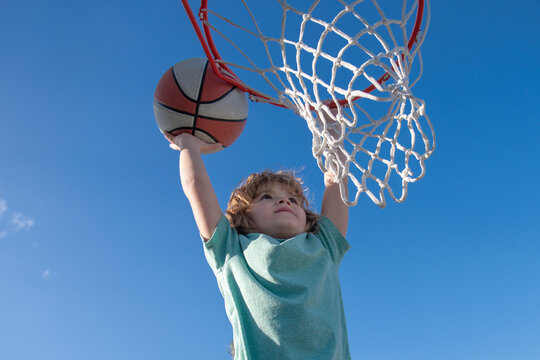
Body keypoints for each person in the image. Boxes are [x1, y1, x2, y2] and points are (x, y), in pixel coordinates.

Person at [165, 132, 351, 360]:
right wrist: (188, 144)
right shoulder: (231, 249)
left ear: (306, 218)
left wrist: (332, 133)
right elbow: (196, 186)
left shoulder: (324, 244)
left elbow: (337, 181)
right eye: (266, 197)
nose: (285, 201)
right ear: (244, 214)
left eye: (293, 200)